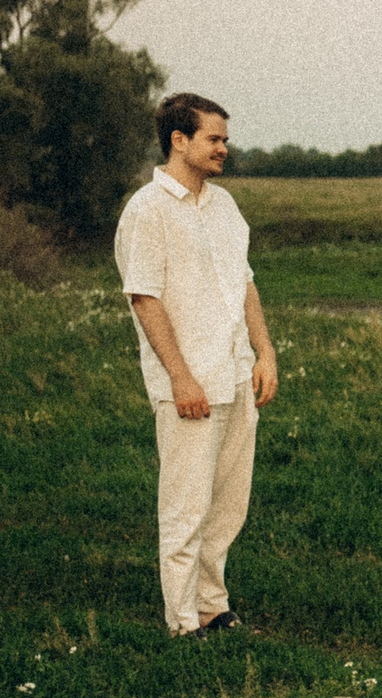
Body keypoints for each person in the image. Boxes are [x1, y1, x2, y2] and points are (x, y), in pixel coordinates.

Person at [115, 92, 279, 637]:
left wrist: (264, 352)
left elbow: (246, 282)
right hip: (188, 382)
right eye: (214, 138)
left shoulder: (225, 206)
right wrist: (180, 377)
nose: (223, 149)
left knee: (227, 505)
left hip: (235, 375)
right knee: (185, 509)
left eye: (225, 140)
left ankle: (212, 606)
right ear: (178, 140)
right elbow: (144, 298)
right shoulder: (147, 209)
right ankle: (182, 623)